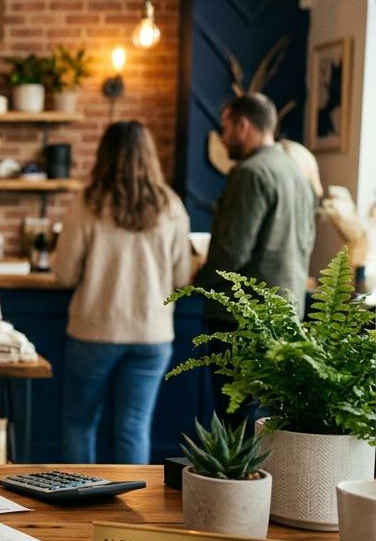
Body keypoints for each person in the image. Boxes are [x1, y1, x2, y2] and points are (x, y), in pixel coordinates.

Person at [52, 121, 192, 464]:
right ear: (150, 156)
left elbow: (64, 273)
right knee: (133, 428)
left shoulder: (87, 204)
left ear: (104, 155)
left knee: (80, 422)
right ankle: (132, 514)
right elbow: (183, 277)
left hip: (94, 331)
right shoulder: (171, 206)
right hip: (152, 333)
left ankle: (77, 506)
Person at [195, 93, 316, 426]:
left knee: (238, 424)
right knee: (268, 422)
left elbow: (232, 251)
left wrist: (200, 280)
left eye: (225, 128)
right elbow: (307, 240)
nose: (222, 137)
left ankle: (240, 482)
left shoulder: (249, 173)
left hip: (241, 319)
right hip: (286, 316)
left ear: (243, 126)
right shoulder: (296, 174)